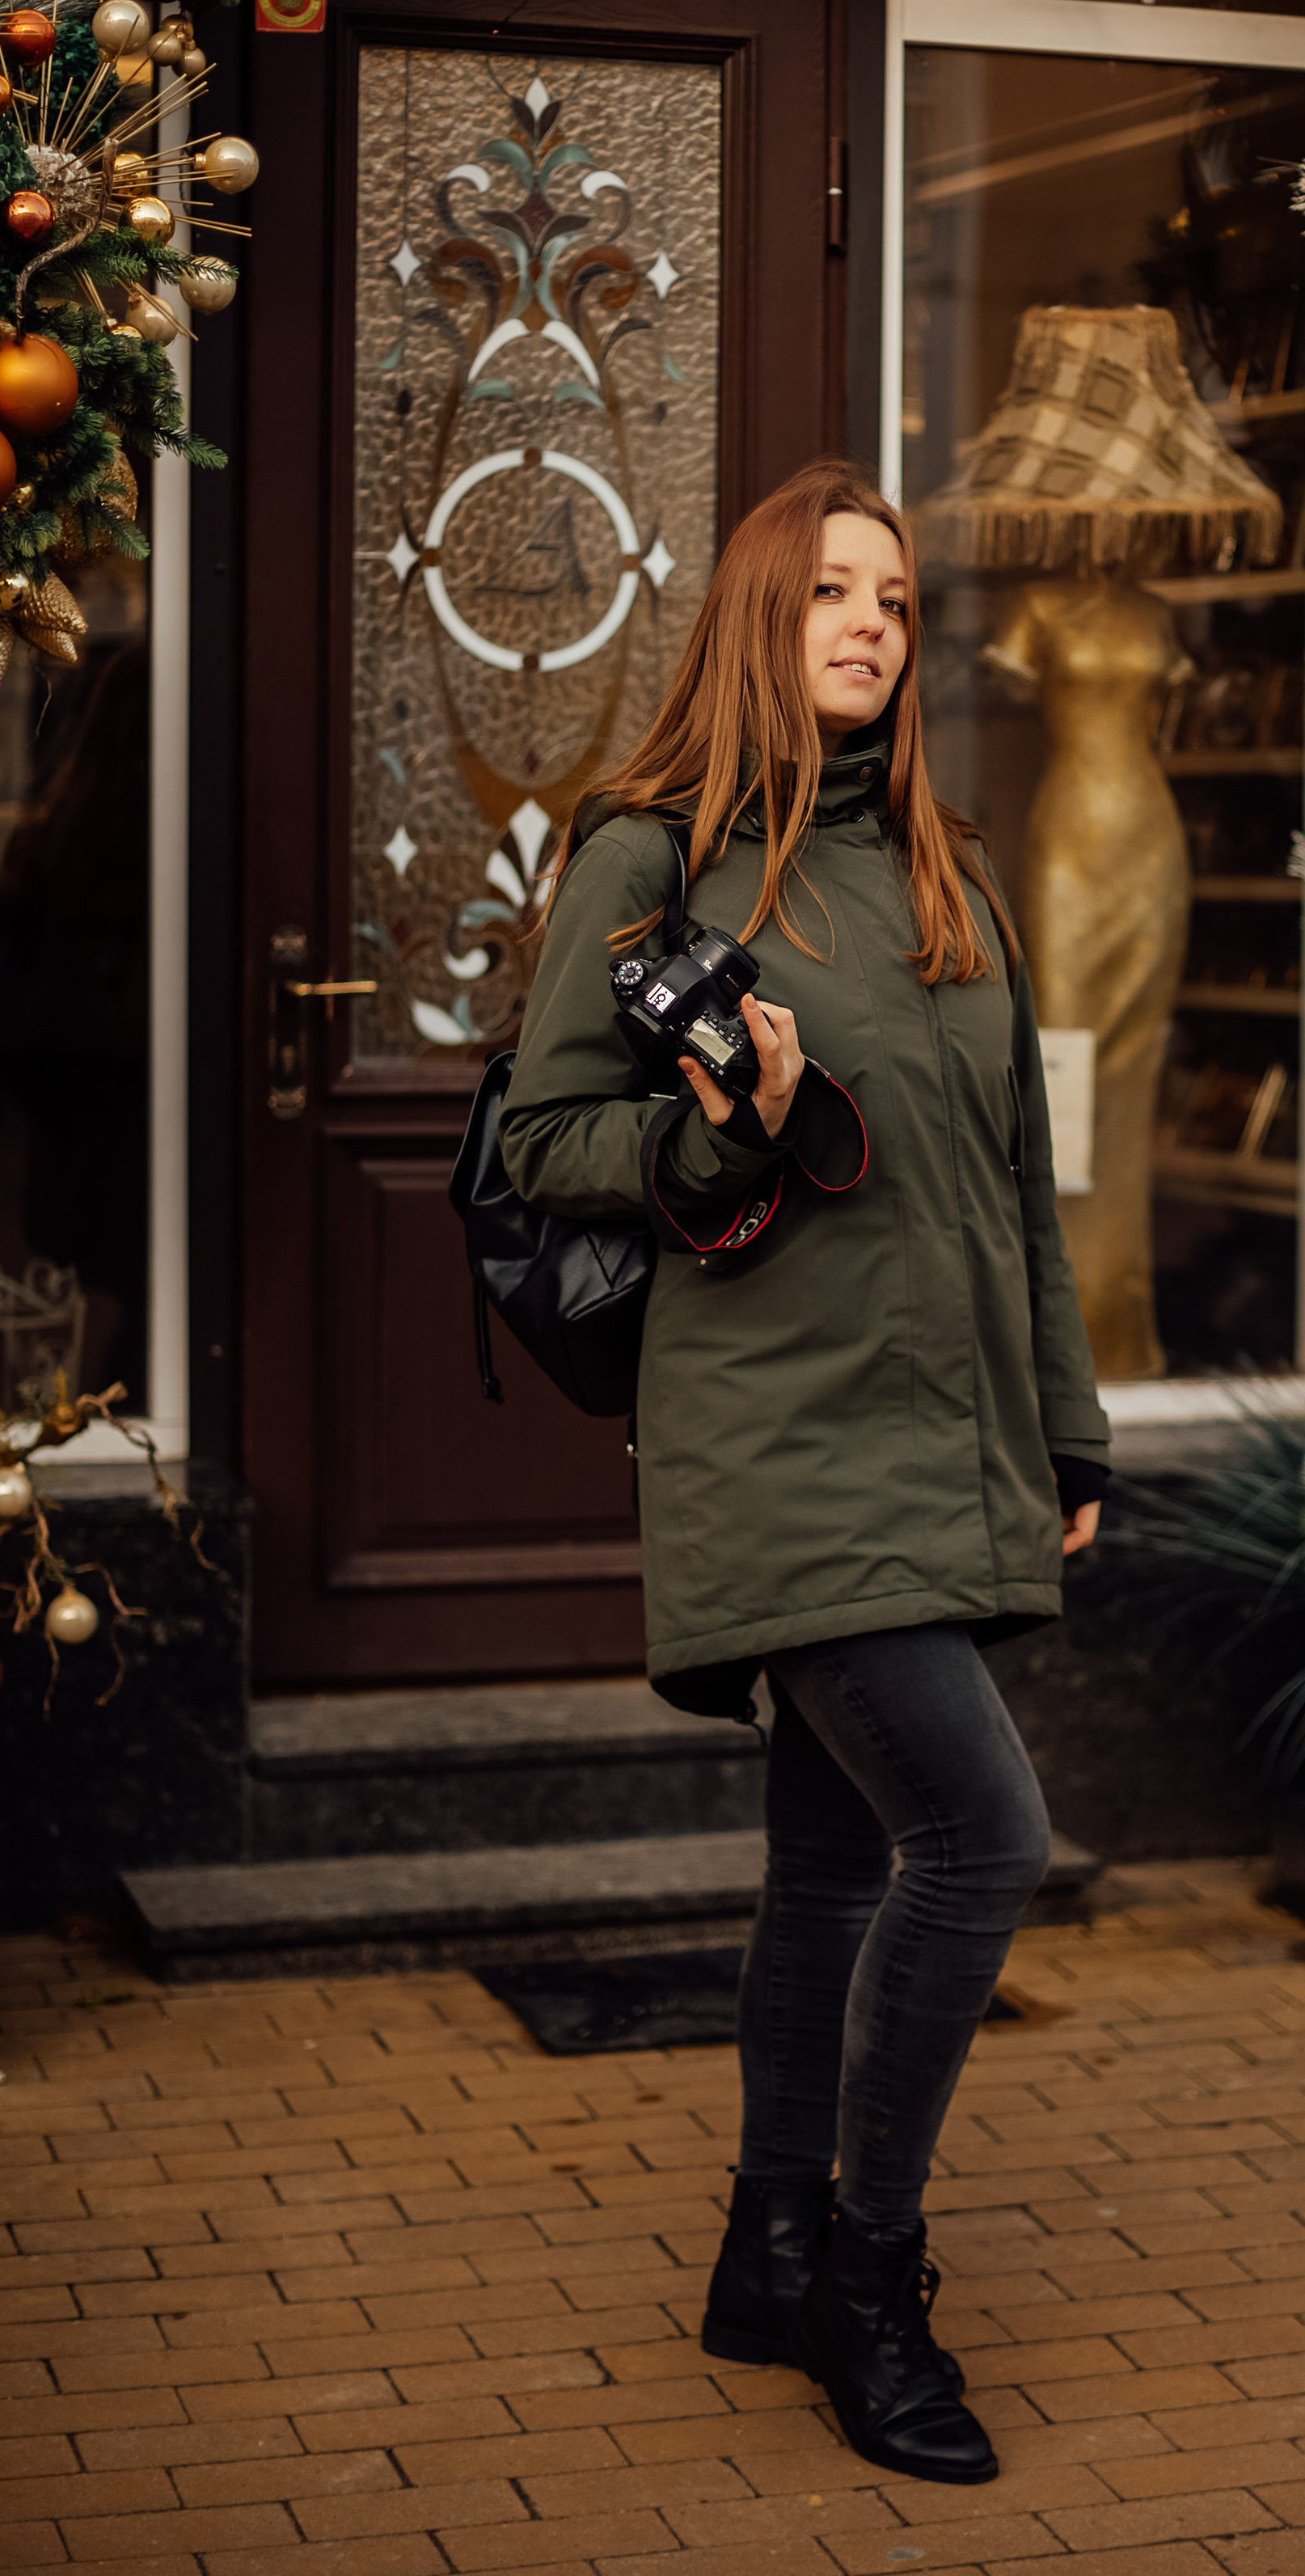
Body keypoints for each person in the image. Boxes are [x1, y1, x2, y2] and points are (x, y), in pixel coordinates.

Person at [500, 460, 1109, 2486]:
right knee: (984, 1840)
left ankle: (768, 2256)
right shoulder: (652, 854)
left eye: (893, 598)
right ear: (759, 619)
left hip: (946, 1434)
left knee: (838, 1864)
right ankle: (866, 2276)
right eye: (828, 591)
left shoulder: (948, 871)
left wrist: (1069, 1428)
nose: (866, 623)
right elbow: (540, 1143)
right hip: (775, 1436)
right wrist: (721, 1129)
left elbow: (1016, 1187)